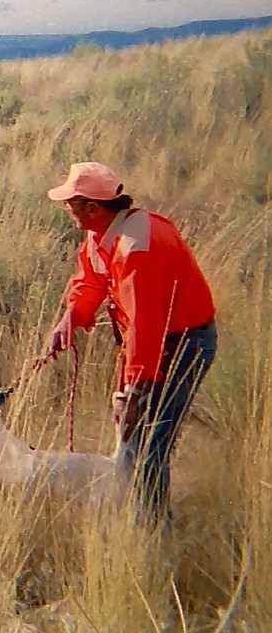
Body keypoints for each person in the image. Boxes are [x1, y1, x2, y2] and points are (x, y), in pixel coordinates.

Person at [40, 161, 216, 526]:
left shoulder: (138, 247)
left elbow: (146, 325)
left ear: (92, 207)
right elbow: (89, 281)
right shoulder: (101, 235)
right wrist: (70, 319)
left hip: (182, 343)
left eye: (70, 204)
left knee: (149, 442)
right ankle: (141, 519)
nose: (66, 211)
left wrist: (135, 389)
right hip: (152, 341)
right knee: (135, 437)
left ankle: (153, 531)